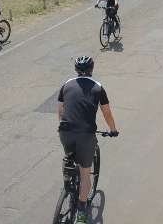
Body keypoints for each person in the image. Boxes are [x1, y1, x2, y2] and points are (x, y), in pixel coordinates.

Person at [58, 56, 119, 223]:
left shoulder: (66, 84)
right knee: (86, 176)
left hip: (65, 131)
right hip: (86, 134)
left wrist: (66, 128)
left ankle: (67, 177)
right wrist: (113, 130)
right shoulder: (98, 88)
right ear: (92, 69)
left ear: (76, 70)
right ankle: (82, 212)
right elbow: (107, 113)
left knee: (70, 154)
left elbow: (61, 111)